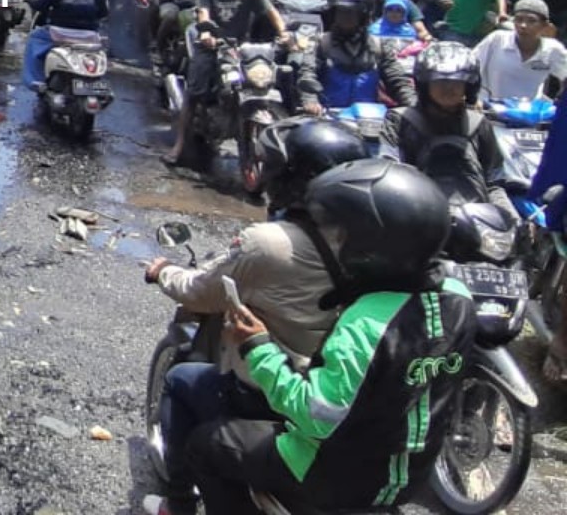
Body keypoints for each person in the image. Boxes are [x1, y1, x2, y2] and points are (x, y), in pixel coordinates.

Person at [180, 159, 474, 515]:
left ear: (373, 248)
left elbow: (317, 415)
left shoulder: (367, 323)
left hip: (331, 476)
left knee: (206, 445)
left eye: (344, 235)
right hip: (409, 476)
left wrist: (258, 347)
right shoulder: (460, 297)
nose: (338, 242)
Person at [140, 118, 367, 515]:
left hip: (272, 396)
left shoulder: (268, 243)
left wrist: (164, 272)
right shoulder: (366, 248)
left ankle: (177, 504)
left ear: (290, 177)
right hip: (340, 398)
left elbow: (201, 291)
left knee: (180, 380)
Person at [165, 0, 289, 168]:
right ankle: (179, 145)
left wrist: (284, 33)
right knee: (194, 92)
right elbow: (203, 12)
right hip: (211, 45)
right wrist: (205, 32)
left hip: (238, 48)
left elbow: (272, 13)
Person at [379, 41, 518, 227]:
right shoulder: (400, 120)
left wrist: (510, 218)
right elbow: (388, 174)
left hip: (476, 223)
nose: (448, 88)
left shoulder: (479, 123)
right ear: (424, 84)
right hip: (417, 221)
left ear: (469, 86)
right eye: (440, 81)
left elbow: (494, 183)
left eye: (456, 82)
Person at [292, 0, 416, 115]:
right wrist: (310, 100)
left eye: (351, 13)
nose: (344, 17)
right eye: (340, 12)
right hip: (326, 120)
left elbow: (397, 81)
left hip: (370, 121)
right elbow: (308, 74)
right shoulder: (320, 43)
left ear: (363, 15)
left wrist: (413, 105)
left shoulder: (379, 46)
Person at [21, 0, 108, 91]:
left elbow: (39, 4)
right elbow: (104, 13)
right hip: (89, 37)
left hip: (59, 34)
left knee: (35, 38)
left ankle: (34, 80)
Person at [471, 0, 567, 102]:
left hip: (528, 113)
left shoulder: (553, 49)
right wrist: (474, 98)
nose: (523, 25)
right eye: (519, 19)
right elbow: (470, 68)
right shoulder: (497, 40)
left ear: (544, 25)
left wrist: (560, 103)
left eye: (532, 21)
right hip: (488, 109)